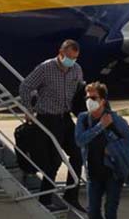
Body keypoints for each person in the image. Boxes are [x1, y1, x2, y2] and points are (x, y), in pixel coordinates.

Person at [75, 81, 129, 219]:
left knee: (110, 210)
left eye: (93, 98)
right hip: (93, 173)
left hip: (112, 172)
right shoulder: (84, 119)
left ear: (103, 100)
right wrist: (100, 127)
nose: (89, 101)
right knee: (93, 212)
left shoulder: (115, 119)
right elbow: (80, 140)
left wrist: (115, 150)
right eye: (87, 97)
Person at [18, 39, 85, 210]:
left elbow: (78, 92)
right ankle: (45, 200)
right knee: (53, 161)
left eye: (75, 58)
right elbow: (26, 86)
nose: (71, 62)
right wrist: (28, 110)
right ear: (61, 53)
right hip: (47, 118)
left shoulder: (76, 70)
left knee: (78, 155)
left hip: (65, 118)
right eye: (69, 57)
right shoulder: (46, 68)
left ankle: (71, 196)